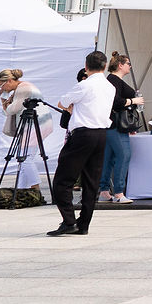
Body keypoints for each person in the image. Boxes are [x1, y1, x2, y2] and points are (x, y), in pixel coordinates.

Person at [51, 50, 116, 236]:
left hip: (83, 133)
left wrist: (72, 108)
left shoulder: (84, 85)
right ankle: (84, 223)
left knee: (62, 180)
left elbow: (62, 102)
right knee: (91, 181)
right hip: (101, 134)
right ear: (104, 67)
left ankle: (69, 220)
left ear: (86, 67)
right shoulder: (110, 87)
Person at [0, 68, 54, 191]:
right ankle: (22, 188)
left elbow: (12, 110)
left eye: (2, 85)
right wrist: (8, 102)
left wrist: (4, 101)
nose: (2, 89)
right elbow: (9, 111)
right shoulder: (23, 87)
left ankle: (35, 187)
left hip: (35, 124)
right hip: (39, 124)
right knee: (25, 158)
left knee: (24, 157)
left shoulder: (23, 88)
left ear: (9, 81)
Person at [99, 53, 143, 203]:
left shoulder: (112, 80)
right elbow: (115, 102)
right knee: (124, 155)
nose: (130, 66)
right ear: (120, 65)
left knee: (109, 158)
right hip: (116, 125)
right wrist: (133, 100)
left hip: (112, 124)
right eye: (128, 64)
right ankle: (118, 192)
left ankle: (104, 191)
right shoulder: (114, 80)